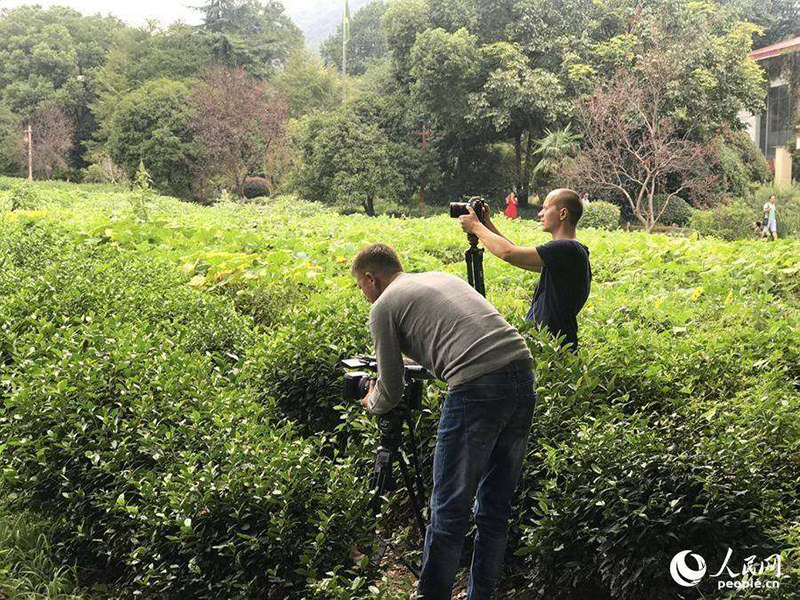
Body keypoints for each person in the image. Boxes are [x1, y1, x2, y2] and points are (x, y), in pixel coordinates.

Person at [351, 244, 536, 600]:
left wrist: (369, 400)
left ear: (371, 279)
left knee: (449, 509)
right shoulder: (438, 278)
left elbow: (390, 391)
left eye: (361, 286)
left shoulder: (384, 305)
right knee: (495, 507)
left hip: (477, 388)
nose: (364, 294)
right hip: (522, 373)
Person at [459, 188, 591, 351]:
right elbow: (516, 254)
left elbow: (508, 253)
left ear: (562, 214)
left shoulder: (566, 248)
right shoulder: (569, 252)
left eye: (545, 208)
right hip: (549, 344)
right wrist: (487, 224)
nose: (540, 214)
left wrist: (476, 227)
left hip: (552, 348)